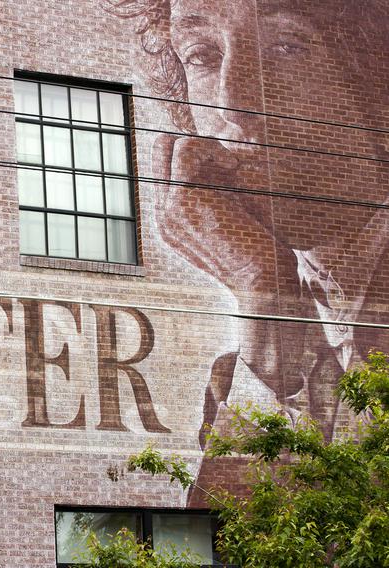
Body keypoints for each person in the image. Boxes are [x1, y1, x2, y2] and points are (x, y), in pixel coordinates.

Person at [106, 0, 389, 497]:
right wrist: (264, 291)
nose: (231, 104)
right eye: (202, 56)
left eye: (285, 48)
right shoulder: (241, 370)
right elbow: (245, 544)